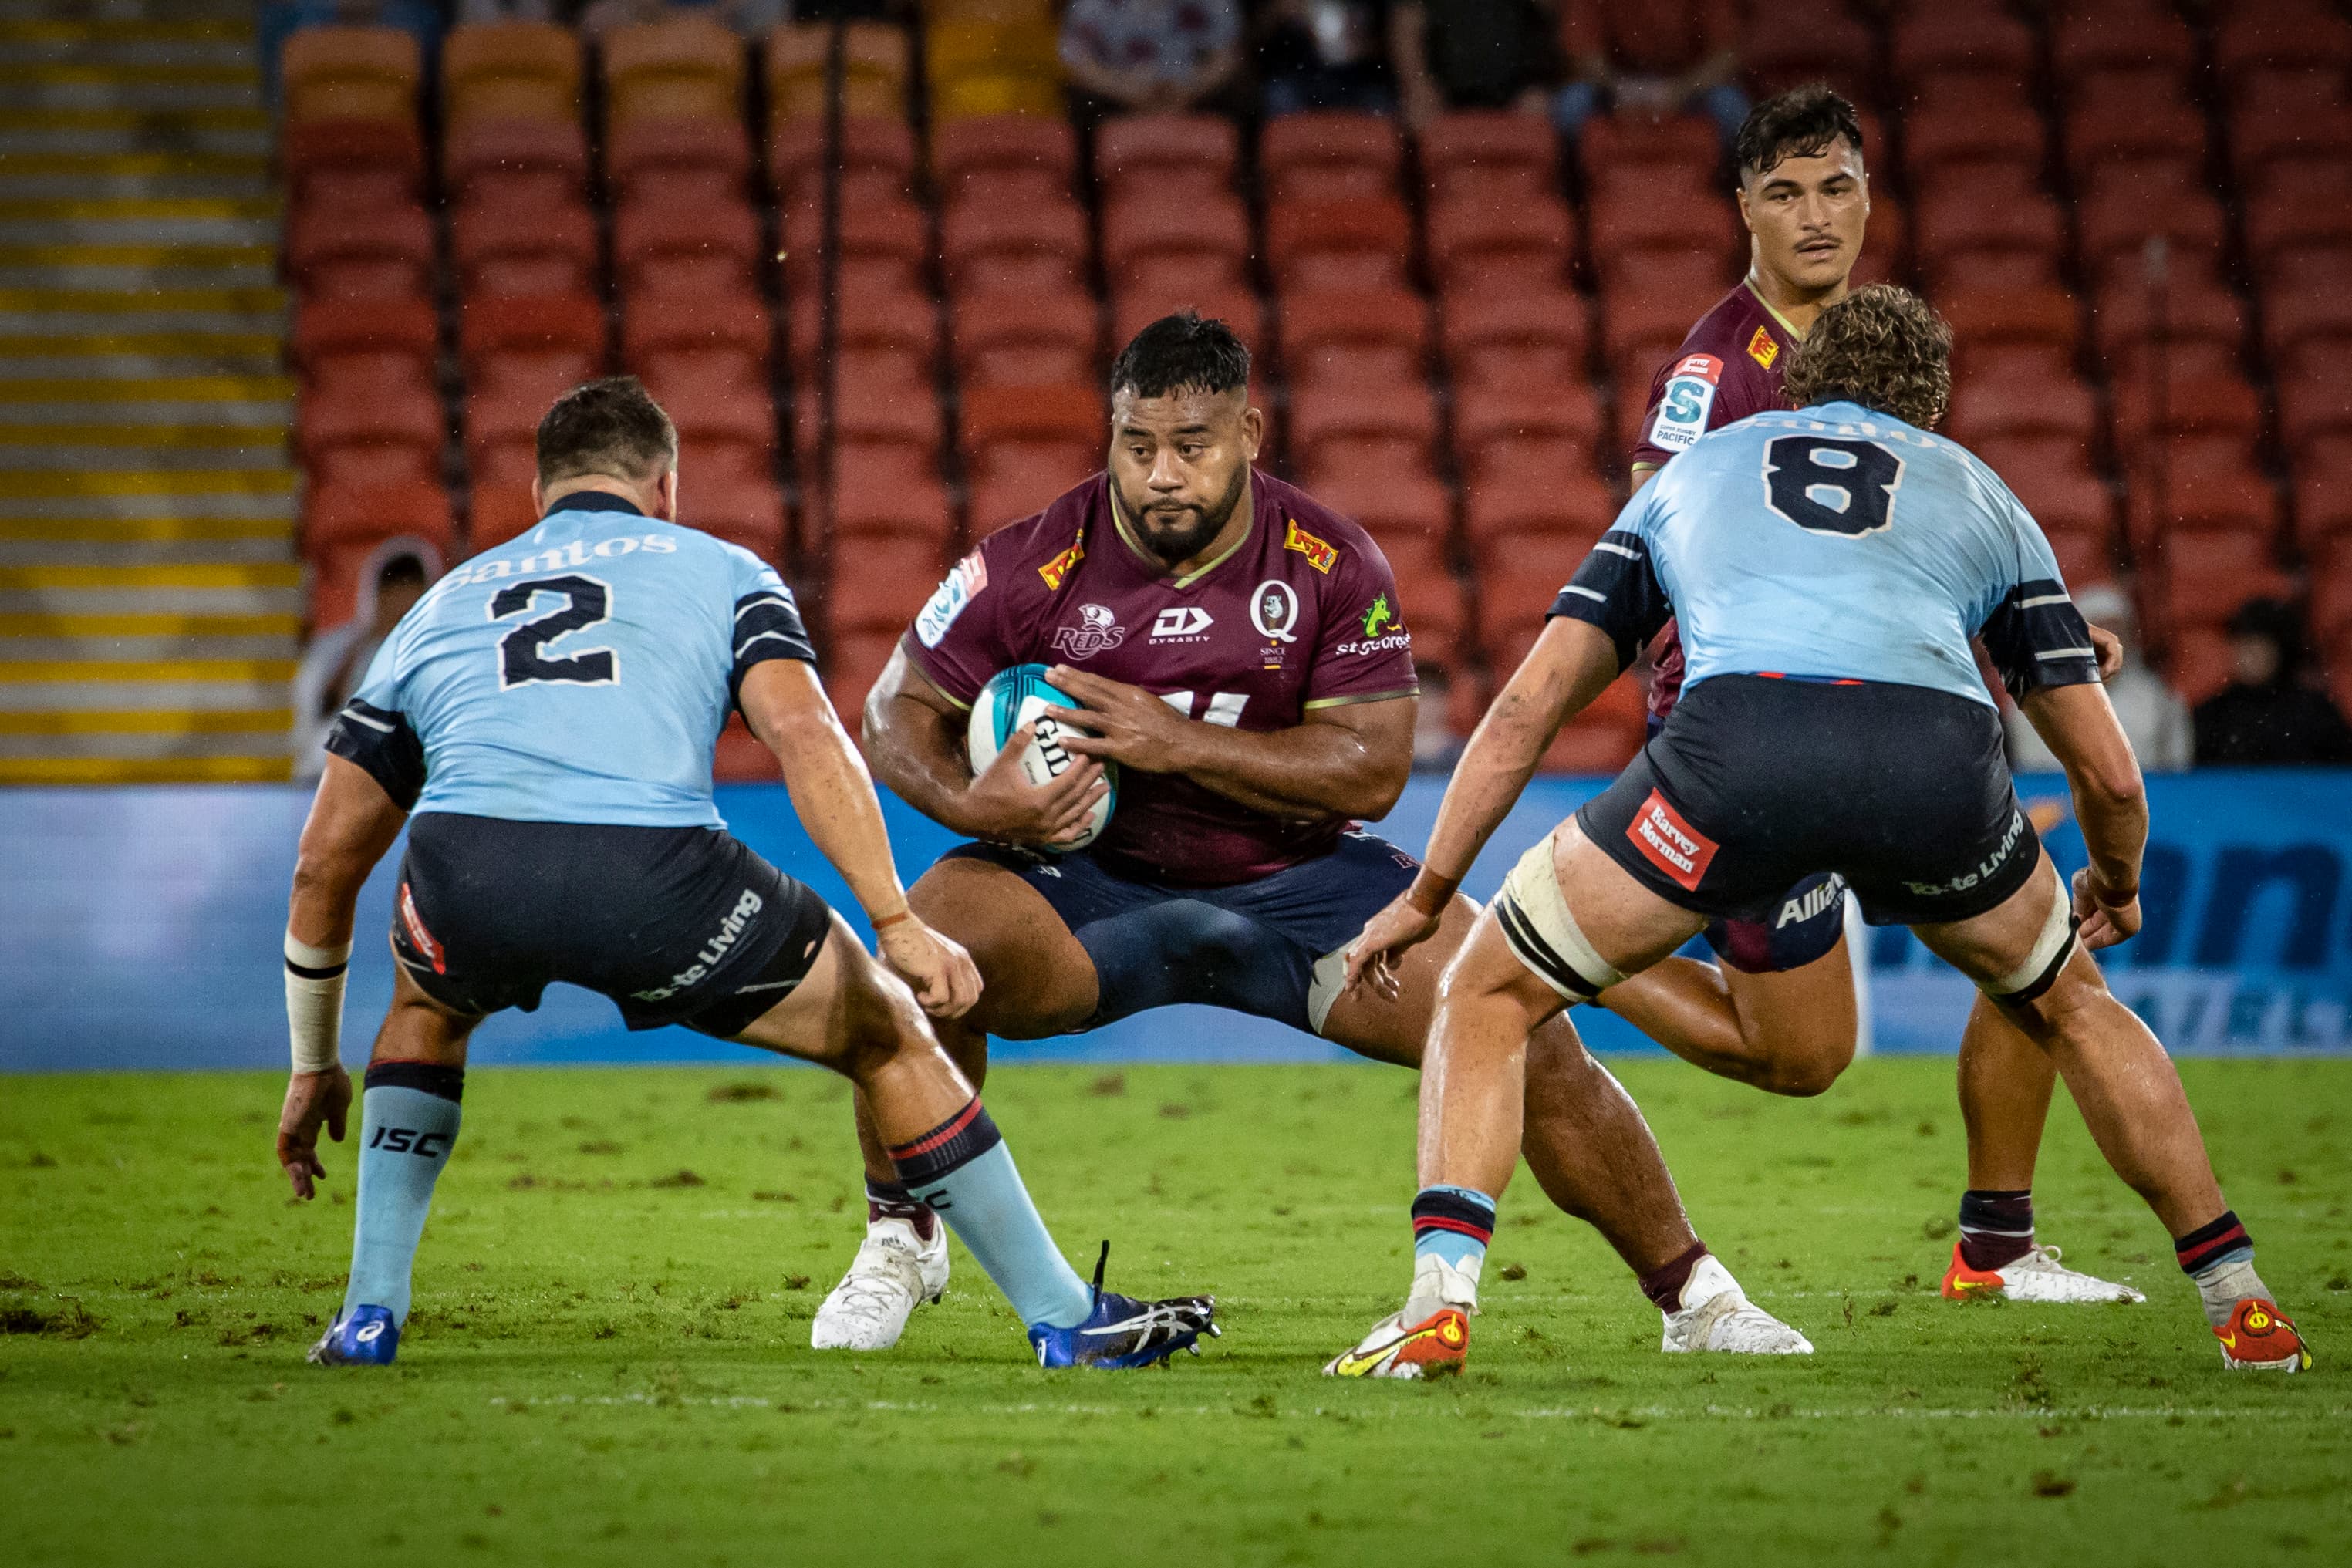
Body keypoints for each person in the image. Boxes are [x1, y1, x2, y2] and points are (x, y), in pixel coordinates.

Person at [1339, 287, 2310, 1377]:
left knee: (1486, 987)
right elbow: (2109, 772)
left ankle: (1440, 1302)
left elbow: (1525, 709)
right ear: (1932, 403)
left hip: (1739, 752)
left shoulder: (1696, 472)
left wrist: (1428, 896)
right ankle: (2242, 1302)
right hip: (1934, 764)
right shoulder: (1983, 494)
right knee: (2069, 1002)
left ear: (1797, 382)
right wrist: (2117, 885)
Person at [814, 312, 1810, 1366]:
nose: (1161, 476)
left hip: (1300, 884)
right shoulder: (1033, 560)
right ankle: (900, 1238)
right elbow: (890, 712)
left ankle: (1694, 1295)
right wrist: (981, 812)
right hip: (1080, 887)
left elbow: (1373, 769)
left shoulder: (1330, 561)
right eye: (1137, 447)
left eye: (1191, 447)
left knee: (1522, 1026)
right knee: (913, 957)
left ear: (1249, 431)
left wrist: (1174, 742)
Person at [278, 378, 1215, 1371]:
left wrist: (310, 1062)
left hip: (464, 871)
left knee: (426, 1005)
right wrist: (896, 923)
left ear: (541, 492)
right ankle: (1067, 1314)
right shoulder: (721, 568)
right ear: (666, 486)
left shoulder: (439, 605)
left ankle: (368, 1313)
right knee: (891, 1034)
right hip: (649, 873)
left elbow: (322, 861)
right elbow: (806, 735)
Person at [1611, 85, 2140, 1308]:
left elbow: (1906, 548)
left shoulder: (1879, 344)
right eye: (1784, 192)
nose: (1814, 216)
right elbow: (1648, 557)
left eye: (1835, 186)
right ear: (1742, 207)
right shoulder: (1709, 372)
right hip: (1752, 738)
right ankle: (1541, 949)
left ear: (1868, 198)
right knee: (1802, 1059)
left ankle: (1995, 1246)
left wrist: (2034, 629)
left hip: (1894, 718)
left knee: (2049, 967)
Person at [2009, 583, 2192, 773]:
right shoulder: (2035, 699)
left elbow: (2177, 774)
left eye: (2117, 631)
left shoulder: (2160, 699)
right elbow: (2036, 776)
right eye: (2099, 630)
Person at [291, 541, 435, 783]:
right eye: (393, 596)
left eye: (411, 597)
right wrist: (362, 645)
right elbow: (318, 707)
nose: (401, 607)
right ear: (377, 595)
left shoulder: (435, 648)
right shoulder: (340, 646)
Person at [1552, 0, 1746, 146]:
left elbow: (1724, 54)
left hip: (1686, 86)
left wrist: (1678, 91)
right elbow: (1583, 51)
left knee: (1732, 107)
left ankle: (1730, 193)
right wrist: (1619, 88)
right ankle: (1572, 195)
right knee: (1572, 106)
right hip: (1616, 86)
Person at [2192, 597, 2352, 765]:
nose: (2248, 657)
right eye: (2242, 646)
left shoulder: (2315, 712)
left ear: (2281, 651)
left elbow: (2341, 776)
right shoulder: (2211, 714)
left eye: (2259, 648)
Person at [1390, 0, 1561, 129]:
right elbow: (1407, 25)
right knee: (1418, 118)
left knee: (1539, 110)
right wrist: (1418, 87)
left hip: (1516, 90)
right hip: (1444, 92)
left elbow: (1550, 10)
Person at [1059, 0, 1244, 116]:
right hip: (1117, 101)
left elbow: (1228, 54)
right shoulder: (1093, 5)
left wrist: (1193, 89)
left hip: (1196, 98)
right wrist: (1122, 90)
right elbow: (1077, 60)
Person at [1256, 0, 1398, 117]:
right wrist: (1283, 15)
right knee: (1278, 95)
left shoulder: (1375, 7)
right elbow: (1260, 38)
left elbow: (1391, 40)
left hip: (1359, 80)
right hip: (1302, 78)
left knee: (1382, 103)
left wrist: (1361, 45)